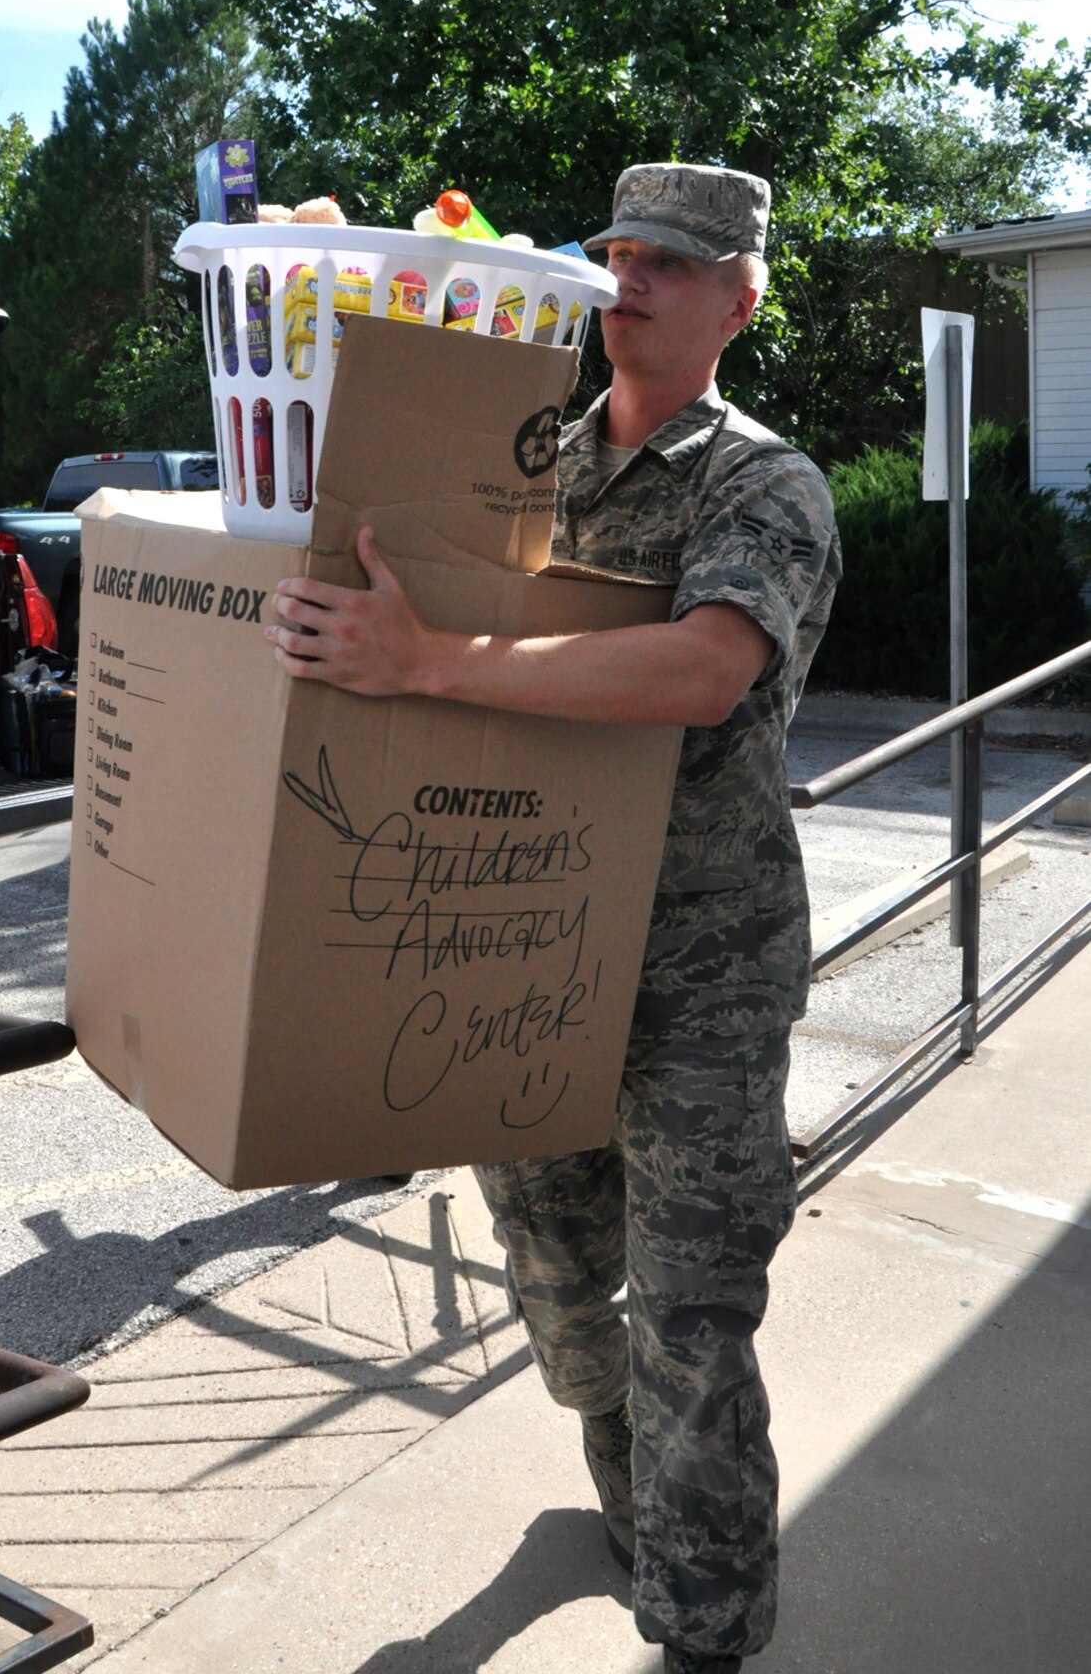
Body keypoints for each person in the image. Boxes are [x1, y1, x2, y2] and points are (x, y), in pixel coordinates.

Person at [263, 163, 841, 1672]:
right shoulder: (524, 456)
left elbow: (698, 673)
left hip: (701, 969)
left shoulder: (760, 483)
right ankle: (630, 1507)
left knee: (695, 1315)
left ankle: (702, 1627)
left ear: (740, 299)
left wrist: (429, 660)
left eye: (675, 261)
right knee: (562, 1285)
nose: (633, 278)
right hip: (525, 948)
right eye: (619, 252)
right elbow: (352, 525)